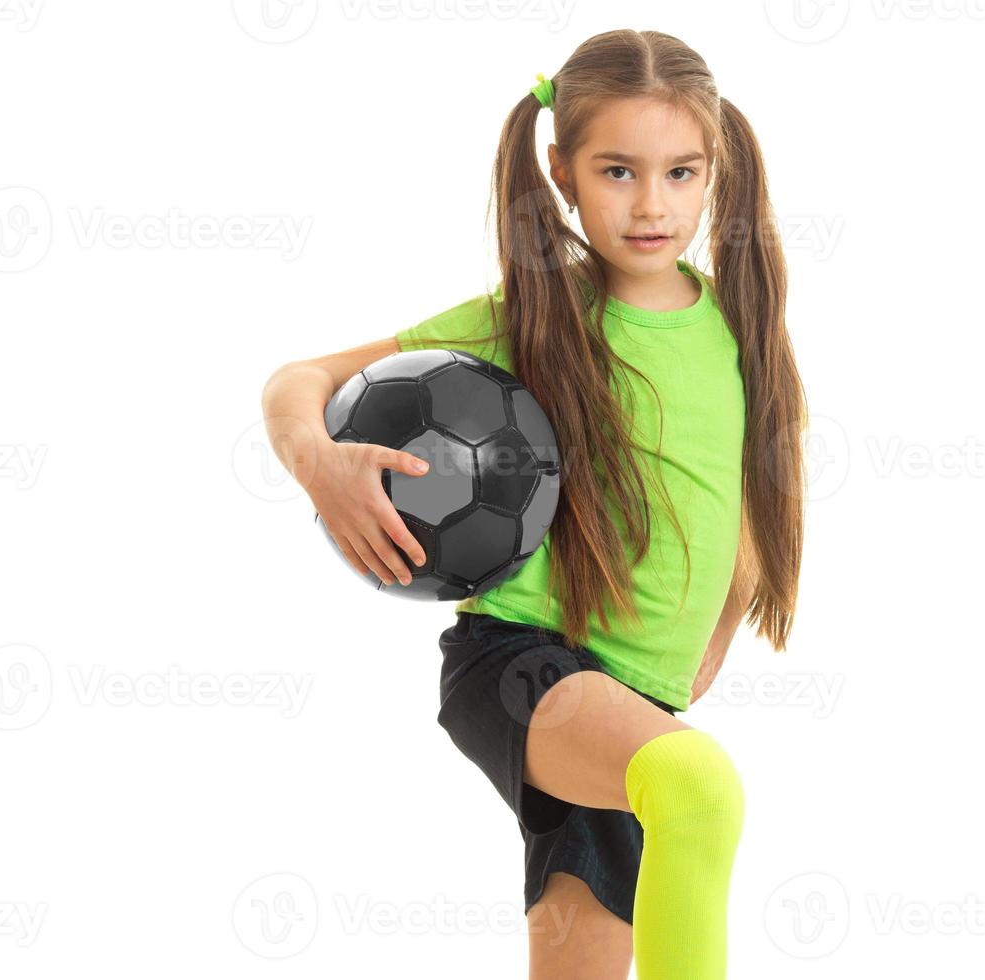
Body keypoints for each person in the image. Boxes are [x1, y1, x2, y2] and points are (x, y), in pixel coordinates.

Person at [260, 28, 807, 979]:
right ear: (560, 170)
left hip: (636, 701)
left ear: (714, 167)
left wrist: (721, 620)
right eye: (617, 172)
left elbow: (739, 492)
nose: (651, 205)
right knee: (698, 784)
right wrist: (318, 460)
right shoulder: (534, 313)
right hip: (516, 665)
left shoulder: (736, 327)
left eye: (681, 173)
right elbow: (299, 378)